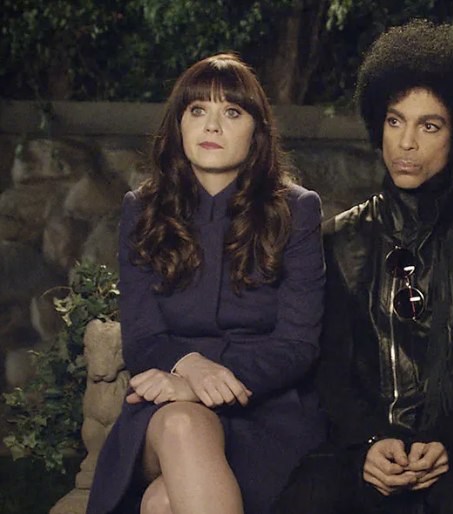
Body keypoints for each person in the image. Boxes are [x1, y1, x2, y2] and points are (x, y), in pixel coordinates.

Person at [274, 19, 453, 514]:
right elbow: (330, 371)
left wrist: (448, 440)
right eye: (394, 120)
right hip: (358, 447)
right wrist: (368, 441)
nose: (406, 143)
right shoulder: (338, 241)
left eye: (429, 125)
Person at [86, 54, 325, 514]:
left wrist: (199, 383)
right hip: (164, 412)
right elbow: (142, 340)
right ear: (178, 125)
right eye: (198, 111)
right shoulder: (143, 209)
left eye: (231, 113)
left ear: (256, 132)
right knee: (181, 427)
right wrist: (189, 364)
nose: (211, 126)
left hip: (266, 414)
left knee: (161, 504)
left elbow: (297, 345)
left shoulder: (296, 211)